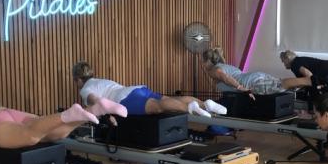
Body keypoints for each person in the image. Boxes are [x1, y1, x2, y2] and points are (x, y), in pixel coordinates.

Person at [0, 75, 125, 149]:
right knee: (48, 134)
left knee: (30, 135)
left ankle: (69, 114)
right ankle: (94, 109)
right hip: (7, 112)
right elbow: (1, 110)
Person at [71, 62, 227, 118]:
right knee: (165, 100)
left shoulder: (85, 88)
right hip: (136, 89)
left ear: (78, 79)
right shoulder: (101, 81)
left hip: (124, 99)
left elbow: (98, 102)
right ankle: (205, 104)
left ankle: (190, 108)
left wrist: (104, 116)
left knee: (158, 107)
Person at [202, 47, 311, 95]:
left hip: (250, 83)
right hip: (254, 77)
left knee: (280, 85)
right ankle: (307, 83)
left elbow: (225, 77)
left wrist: (241, 88)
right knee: (281, 86)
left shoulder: (213, 70)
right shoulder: (224, 65)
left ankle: (309, 80)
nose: (202, 64)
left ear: (207, 61)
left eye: (203, 61)